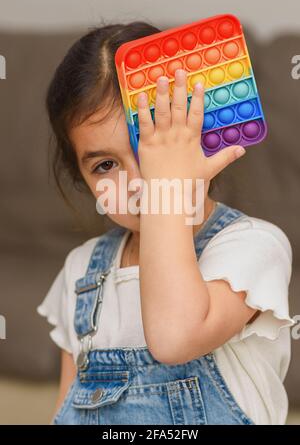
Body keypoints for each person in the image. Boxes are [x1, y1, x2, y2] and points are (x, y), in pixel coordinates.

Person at [37, 21, 295, 425]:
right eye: (105, 165)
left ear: (206, 137)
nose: (140, 181)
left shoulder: (252, 247)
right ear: (82, 180)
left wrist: (167, 190)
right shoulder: (81, 272)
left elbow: (175, 337)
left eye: (154, 151)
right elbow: (66, 411)